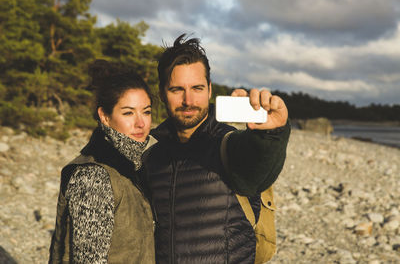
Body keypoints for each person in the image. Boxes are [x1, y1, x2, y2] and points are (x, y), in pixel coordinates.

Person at [143, 34, 291, 263]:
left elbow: (257, 162)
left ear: (210, 90)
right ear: (162, 93)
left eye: (197, 88)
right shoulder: (152, 159)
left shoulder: (227, 145)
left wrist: (270, 134)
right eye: (176, 90)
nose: (188, 100)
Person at [49, 60, 155, 264]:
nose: (141, 123)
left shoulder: (132, 167)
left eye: (147, 111)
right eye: (128, 112)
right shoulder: (94, 177)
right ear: (105, 116)